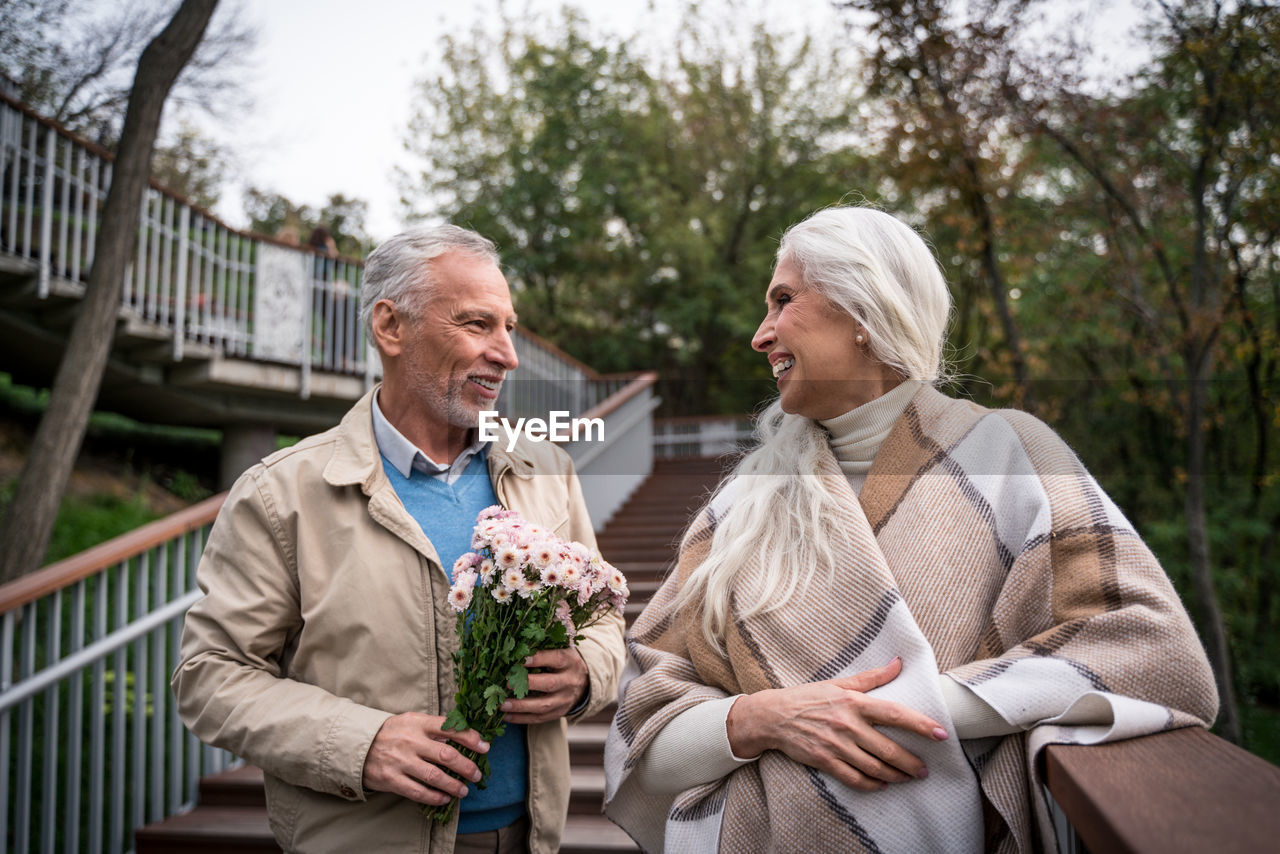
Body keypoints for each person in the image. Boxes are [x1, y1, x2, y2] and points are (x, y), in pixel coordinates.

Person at [602, 206, 1218, 853]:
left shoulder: (1010, 454)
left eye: (782, 300)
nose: (761, 334)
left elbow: (1150, 650)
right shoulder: (739, 507)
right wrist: (761, 719)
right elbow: (645, 728)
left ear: (862, 309)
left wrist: (902, 711)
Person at [173, 224, 626, 854]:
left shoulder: (546, 469)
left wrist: (584, 673)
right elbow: (210, 677)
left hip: (529, 838)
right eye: (477, 324)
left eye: (509, 327)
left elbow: (604, 621)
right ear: (391, 326)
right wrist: (361, 743)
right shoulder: (281, 493)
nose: (507, 354)